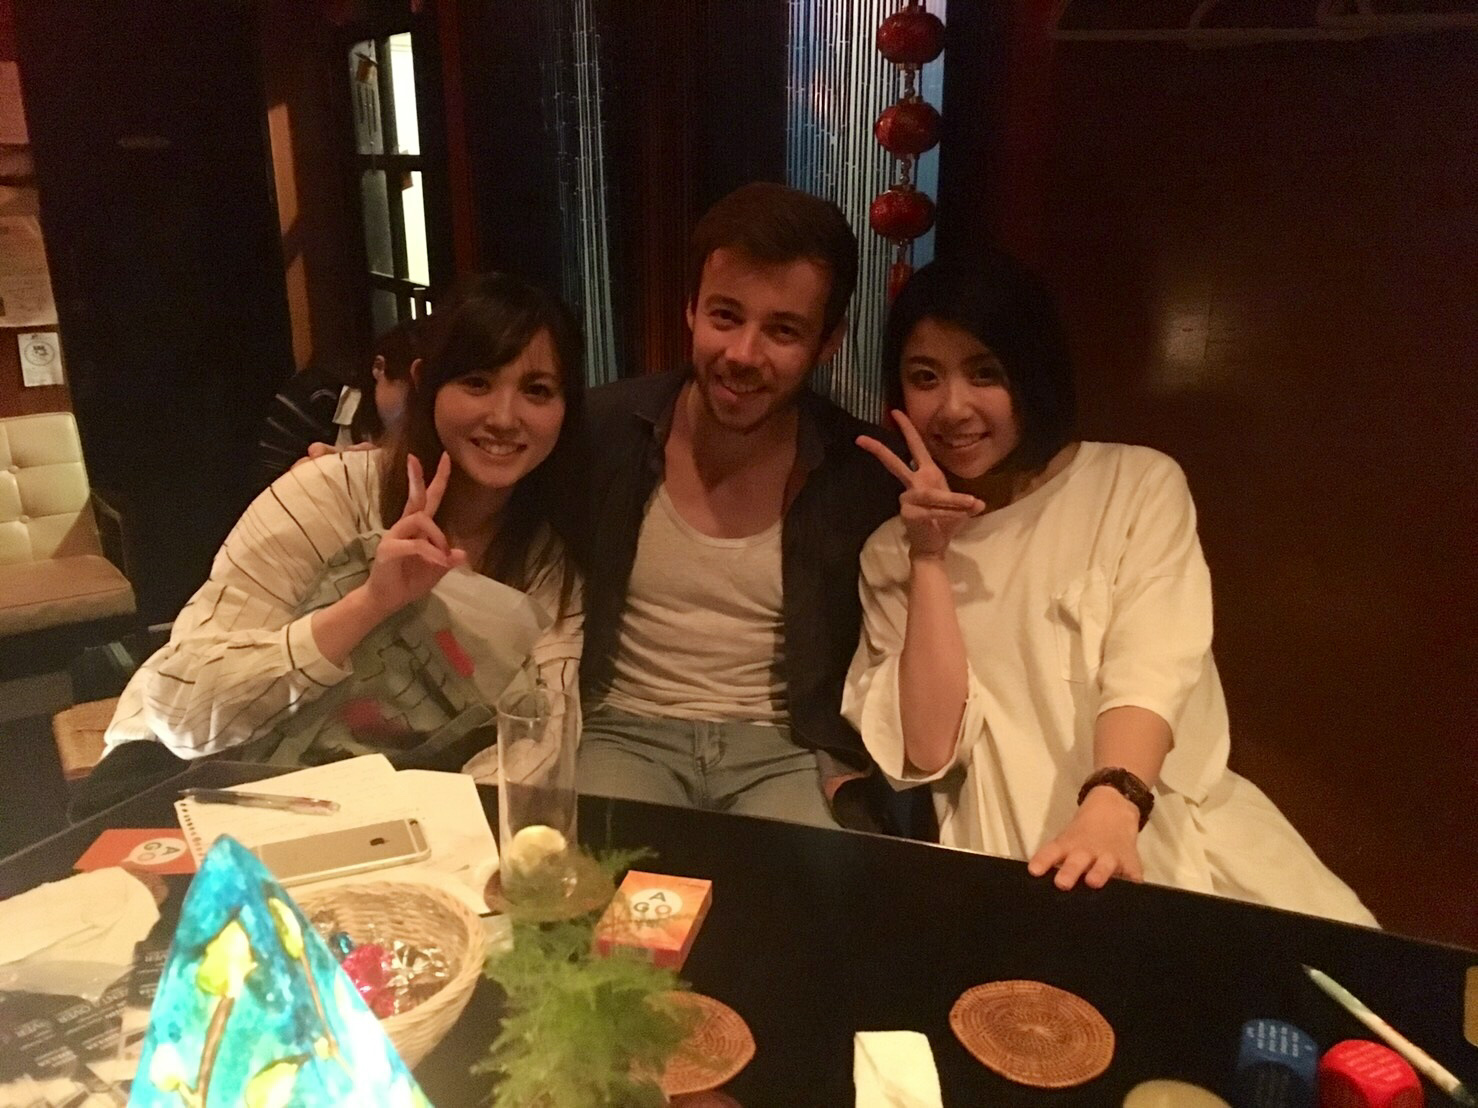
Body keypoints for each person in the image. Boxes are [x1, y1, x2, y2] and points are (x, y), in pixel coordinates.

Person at [843, 253, 1376, 924]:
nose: (953, 407)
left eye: (985, 372)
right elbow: (928, 748)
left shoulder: (1134, 485)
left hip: (1169, 831)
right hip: (1010, 853)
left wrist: (1113, 804)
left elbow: (1152, 662)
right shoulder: (890, 551)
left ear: (1032, 372)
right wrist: (928, 556)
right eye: (926, 377)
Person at [101, 272, 585, 771]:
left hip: (376, 800)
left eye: (537, 390)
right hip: (184, 771)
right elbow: (181, 712)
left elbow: (539, 739)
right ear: (424, 383)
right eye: (477, 382)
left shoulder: (548, 565)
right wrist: (369, 604)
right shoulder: (327, 495)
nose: (504, 417)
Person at [575, 182, 915, 833]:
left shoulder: (865, 474)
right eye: (725, 316)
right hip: (623, 731)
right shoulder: (603, 431)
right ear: (691, 310)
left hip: (785, 750)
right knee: (605, 885)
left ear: (828, 342)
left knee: (804, 892)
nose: (742, 354)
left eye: (783, 330)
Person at [253, 318, 420, 492]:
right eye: (414, 397)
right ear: (379, 368)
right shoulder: (318, 396)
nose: (419, 413)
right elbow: (264, 493)